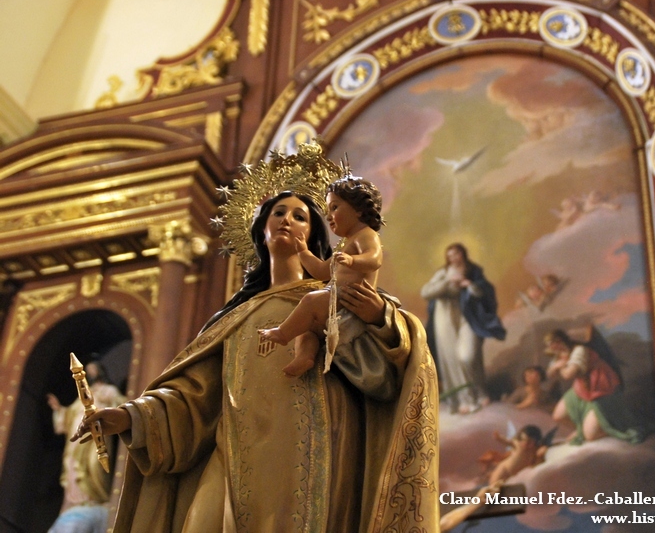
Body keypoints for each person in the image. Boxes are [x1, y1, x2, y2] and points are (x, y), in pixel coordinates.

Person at [71, 143, 439, 532]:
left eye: (300, 216)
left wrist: (378, 317)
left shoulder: (333, 299)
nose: (286, 220)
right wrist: (130, 417)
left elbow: (386, 377)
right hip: (232, 456)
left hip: (318, 456)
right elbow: (195, 396)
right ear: (261, 229)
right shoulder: (235, 319)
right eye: (277, 212)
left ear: (313, 235)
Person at [259, 175, 383, 377]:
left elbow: (374, 258)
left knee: (309, 301)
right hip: (334, 297)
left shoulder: (366, 235)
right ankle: (304, 357)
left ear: (359, 210)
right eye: (279, 213)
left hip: (347, 300)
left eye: (334, 207)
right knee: (306, 329)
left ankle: (282, 333)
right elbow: (322, 271)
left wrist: (352, 260)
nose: (329, 216)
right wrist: (304, 252)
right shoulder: (346, 245)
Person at [422, 243, 506, 414]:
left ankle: (480, 392)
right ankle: (465, 399)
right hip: (445, 318)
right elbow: (426, 293)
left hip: (468, 317)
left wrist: (469, 284)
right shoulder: (443, 273)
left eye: (456, 254)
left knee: (467, 356)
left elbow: (485, 293)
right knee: (452, 359)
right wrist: (447, 282)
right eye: (450, 255)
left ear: (463, 254)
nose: (454, 258)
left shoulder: (473, 271)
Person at [47, 362, 126, 533]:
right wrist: (59, 410)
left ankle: (95, 497)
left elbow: (122, 406)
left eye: (93, 369)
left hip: (95, 436)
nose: (91, 372)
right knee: (71, 464)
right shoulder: (84, 393)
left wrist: (107, 404)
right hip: (76, 436)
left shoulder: (108, 390)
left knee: (94, 464)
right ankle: (74, 501)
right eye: (88, 370)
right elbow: (70, 416)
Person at [545, 328, 642, 444]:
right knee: (558, 416)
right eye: (549, 345)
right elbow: (549, 374)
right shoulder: (559, 354)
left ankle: (610, 428)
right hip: (582, 387)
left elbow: (569, 374)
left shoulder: (579, 350)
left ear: (559, 341)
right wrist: (556, 366)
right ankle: (581, 430)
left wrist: (559, 366)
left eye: (551, 344)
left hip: (600, 386)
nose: (550, 348)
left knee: (591, 436)